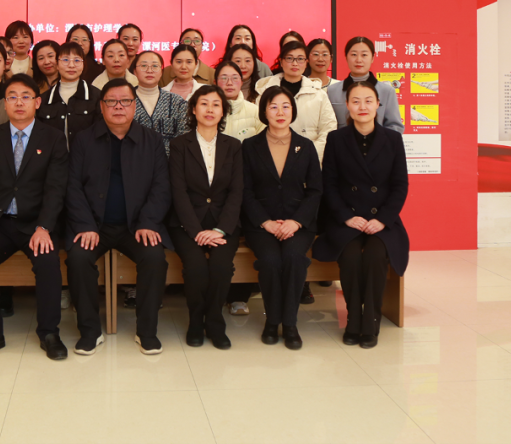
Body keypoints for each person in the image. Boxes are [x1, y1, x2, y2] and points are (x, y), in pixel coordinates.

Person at [65, 79, 172, 356]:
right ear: (101, 106)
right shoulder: (83, 140)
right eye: (111, 101)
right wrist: (85, 225)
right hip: (94, 225)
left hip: (136, 226)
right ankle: (90, 331)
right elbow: (72, 186)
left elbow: (162, 187)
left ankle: (147, 332)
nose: (118, 107)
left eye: (125, 101)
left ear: (134, 106)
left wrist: (148, 222)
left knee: (155, 258)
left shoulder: (152, 140)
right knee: (78, 258)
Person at [0, 75, 69, 361]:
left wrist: (44, 227)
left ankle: (49, 333)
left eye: (26, 96)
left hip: (36, 223)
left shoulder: (53, 138)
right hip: (0, 223)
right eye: (12, 96)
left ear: (37, 102)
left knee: (48, 264)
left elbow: (56, 188)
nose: (19, 102)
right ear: (5, 103)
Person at [313, 79, 409, 349]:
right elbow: (329, 184)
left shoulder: (393, 139)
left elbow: (400, 185)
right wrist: (346, 216)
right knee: (352, 256)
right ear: (347, 105)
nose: (362, 106)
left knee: (377, 256)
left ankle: (372, 320)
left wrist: (382, 219)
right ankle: (353, 317)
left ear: (379, 104)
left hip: (382, 220)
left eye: (368, 101)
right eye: (356, 101)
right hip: (347, 218)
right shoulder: (336, 139)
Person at [238, 86, 321, 350]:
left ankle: (291, 323)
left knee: (294, 258)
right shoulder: (250, 146)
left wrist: (296, 221)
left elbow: (315, 190)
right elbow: (245, 191)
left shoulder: (305, 146)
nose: (280, 112)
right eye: (273, 106)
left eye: (286, 106)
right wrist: (266, 222)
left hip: (298, 223)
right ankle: (272, 321)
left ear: (293, 111)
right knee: (271, 260)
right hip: (261, 223)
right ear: (264, 111)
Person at [168, 85, 243, 350]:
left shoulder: (234, 146)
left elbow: (236, 191)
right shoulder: (179, 145)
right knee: (196, 267)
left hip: (224, 223)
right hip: (187, 224)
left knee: (221, 267)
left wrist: (221, 229)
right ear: (193, 109)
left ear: (223, 111)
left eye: (216, 104)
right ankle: (195, 321)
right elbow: (178, 191)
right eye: (204, 104)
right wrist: (196, 231)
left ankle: (214, 321)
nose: (210, 109)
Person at [254, 41, 336, 161]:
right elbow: (258, 126)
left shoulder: (318, 94)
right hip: (274, 157)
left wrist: (309, 153)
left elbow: (328, 129)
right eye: (289, 58)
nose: (295, 63)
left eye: (300, 59)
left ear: (306, 62)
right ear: (281, 61)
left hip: (310, 158)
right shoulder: (265, 93)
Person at [326, 37, 405, 133]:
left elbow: (395, 127)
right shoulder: (332, 91)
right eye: (354, 54)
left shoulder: (387, 91)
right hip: (342, 142)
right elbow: (327, 126)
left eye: (364, 55)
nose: (359, 60)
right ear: (346, 57)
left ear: (372, 58)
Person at [38, 42, 102, 145]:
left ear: (83, 64)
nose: (71, 65)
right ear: (57, 64)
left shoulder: (96, 96)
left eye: (77, 60)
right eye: (65, 60)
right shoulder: (45, 99)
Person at [132, 50, 189, 157]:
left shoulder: (177, 102)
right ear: (135, 71)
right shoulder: (125, 100)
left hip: (169, 163)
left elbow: (183, 139)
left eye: (155, 66)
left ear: (161, 71)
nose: (149, 70)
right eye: (144, 66)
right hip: (132, 161)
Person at [217, 61, 264, 142]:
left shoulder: (255, 111)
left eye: (235, 78)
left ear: (241, 82)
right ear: (215, 82)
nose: (229, 83)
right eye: (224, 78)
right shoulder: (209, 112)